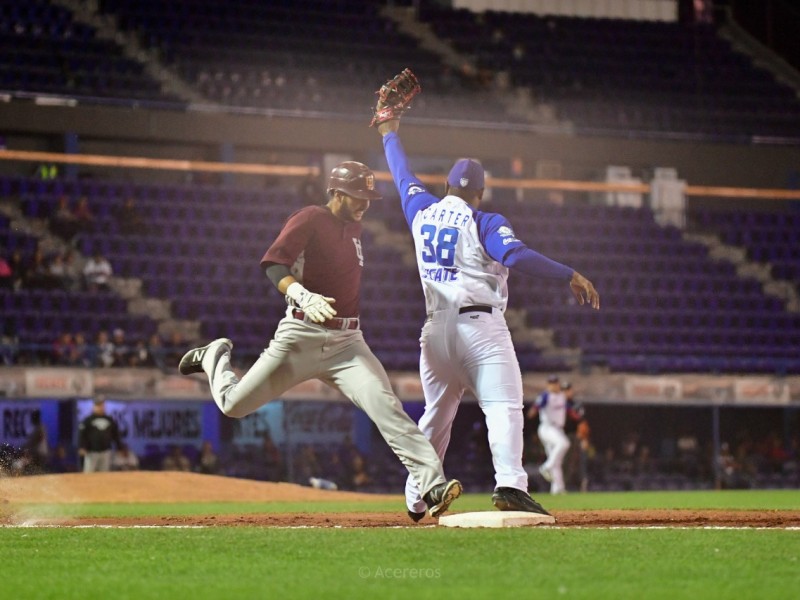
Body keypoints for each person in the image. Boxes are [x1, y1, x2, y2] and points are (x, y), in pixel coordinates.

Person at [177, 160, 462, 520]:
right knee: (234, 405)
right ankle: (215, 355)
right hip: (302, 334)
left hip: (348, 342)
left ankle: (432, 484)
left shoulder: (355, 227)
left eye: (369, 196)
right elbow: (273, 264)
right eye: (358, 196)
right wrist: (300, 294)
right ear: (337, 193)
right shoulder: (310, 217)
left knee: (386, 407)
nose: (365, 203)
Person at [376, 111, 599, 515]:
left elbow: (401, 174)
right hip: (479, 326)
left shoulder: (421, 210)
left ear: (446, 186)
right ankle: (510, 485)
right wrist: (568, 274)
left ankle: (416, 496)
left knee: (437, 416)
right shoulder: (485, 220)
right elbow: (513, 253)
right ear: (480, 193)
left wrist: (389, 133)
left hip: (434, 331)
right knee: (503, 405)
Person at [528, 376, 572, 494]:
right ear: (548, 385)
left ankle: (557, 488)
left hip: (557, 429)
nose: (553, 385)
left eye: (555, 383)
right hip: (547, 428)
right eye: (551, 383)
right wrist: (533, 410)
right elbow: (533, 410)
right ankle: (545, 467)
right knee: (564, 444)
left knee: (556, 461)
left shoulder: (561, 396)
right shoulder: (545, 396)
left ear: (558, 384)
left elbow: (569, 397)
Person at [78, 398, 122, 472]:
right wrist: (82, 447)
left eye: (102, 405)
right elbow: (82, 435)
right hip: (91, 451)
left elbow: (115, 434)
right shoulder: (88, 420)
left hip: (106, 450)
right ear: (93, 407)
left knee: (104, 473)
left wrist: (119, 447)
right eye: (98, 406)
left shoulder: (109, 420)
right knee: (89, 472)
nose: (100, 408)